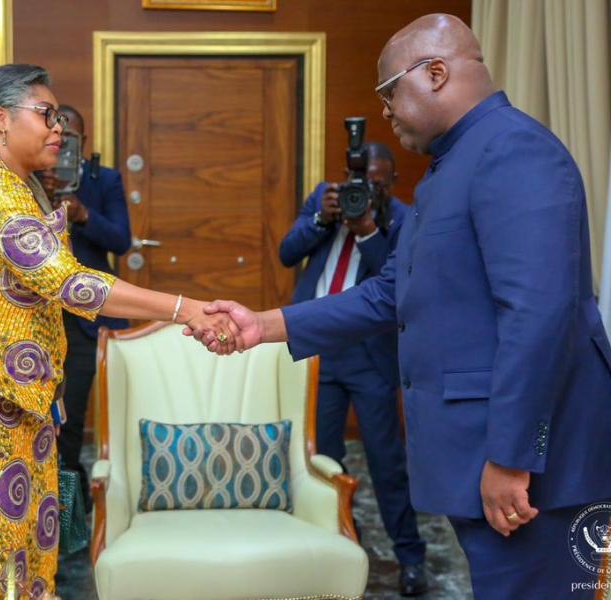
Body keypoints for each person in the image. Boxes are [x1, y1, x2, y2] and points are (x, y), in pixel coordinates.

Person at [196, 13, 611, 600]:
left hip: (526, 468)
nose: (385, 112)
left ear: (436, 73)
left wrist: (512, 458)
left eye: (389, 93)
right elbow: (390, 292)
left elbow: (538, 314)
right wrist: (264, 324)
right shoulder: (450, 169)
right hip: (482, 458)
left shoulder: (514, 151)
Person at [0, 63, 236, 599]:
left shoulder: (22, 186)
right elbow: (65, 282)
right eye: (46, 114)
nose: (59, 128)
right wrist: (184, 307)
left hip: (12, 399)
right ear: (1, 120)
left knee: (22, 563)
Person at [279, 142, 426, 596]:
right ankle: (341, 548)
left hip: (368, 356)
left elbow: (399, 284)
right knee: (324, 460)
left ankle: (410, 557)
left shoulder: (403, 218)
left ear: (392, 181)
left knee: (386, 463)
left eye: (380, 183)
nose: (370, 189)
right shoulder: (327, 197)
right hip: (319, 350)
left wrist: (367, 230)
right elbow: (288, 252)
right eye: (365, 180)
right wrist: (323, 219)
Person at [37, 105, 131, 510]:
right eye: (58, 132)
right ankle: (43, 508)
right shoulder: (25, 179)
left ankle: (70, 518)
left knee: (72, 421)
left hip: (86, 323)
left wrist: (84, 214)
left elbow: (122, 241)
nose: (64, 141)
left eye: (72, 137)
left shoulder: (102, 180)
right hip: (37, 319)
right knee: (41, 423)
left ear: (84, 142)